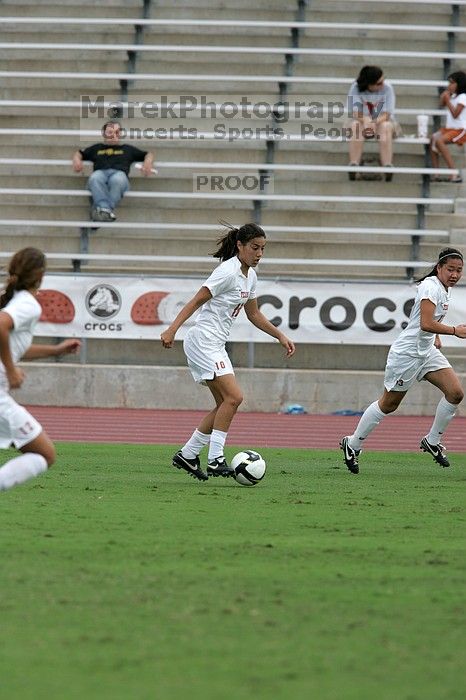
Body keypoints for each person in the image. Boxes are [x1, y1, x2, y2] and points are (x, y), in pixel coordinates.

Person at [160, 223, 296, 481]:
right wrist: (172, 329)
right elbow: (196, 300)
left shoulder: (250, 276)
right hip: (203, 341)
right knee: (234, 397)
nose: (259, 254)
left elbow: (253, 313)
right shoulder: (227, 271)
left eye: (263, 249)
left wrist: (280, 335)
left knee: (225, 403)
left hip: (215, 344)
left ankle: (188, 454)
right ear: (240, 246)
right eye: (254, 248)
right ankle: (215, 459)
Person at [340, 248, 466, 474]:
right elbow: (425, 323)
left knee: (455, 392)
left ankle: (432, 441)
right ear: (439, 268)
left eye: (459, 270)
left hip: (426, 351)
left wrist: (436, 337)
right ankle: (353, 443)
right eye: (450, 269)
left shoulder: (443, 289)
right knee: (389, 404)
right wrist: (454, 331)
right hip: (407, 354)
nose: (455, 274)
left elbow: (427, 319)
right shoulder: (430, 286)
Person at [0, 247, 81, 492]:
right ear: (40, 275)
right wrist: (12, 371)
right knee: (45, 454)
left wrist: (56, 351)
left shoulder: (11, 299)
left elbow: (14, 346)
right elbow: (1, 326)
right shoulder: (27, 303)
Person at [72, 120, 155, 222]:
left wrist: (148, 162)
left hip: (119, 175)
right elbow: (79, 153)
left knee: (117, 179)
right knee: (95, 177)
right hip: (101, 173)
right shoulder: (97, 148)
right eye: (110, 132)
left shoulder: (127, 149)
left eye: (117, 132)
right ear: (104, 133)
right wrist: (77, 160)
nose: (114, 135)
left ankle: (102, 210)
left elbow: (148, 154)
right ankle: (106, 211)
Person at [347, 65, 397, 181]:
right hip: (361, 121)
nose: (383, 84)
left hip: (383, 121)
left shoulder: (388, 88)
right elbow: (354, 112)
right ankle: (354, 164)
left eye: (383, 81)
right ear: (369, 84)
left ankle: (387, 166)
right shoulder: (355, 88)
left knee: (385, 127)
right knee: (355, 126)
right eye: (379, 83)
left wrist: (374, 121)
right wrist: (365, 120)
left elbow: (387, 114)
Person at [430, 70, 466, 183]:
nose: (449, 86)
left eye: (452, 83)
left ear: (459, 84)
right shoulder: (453, 96)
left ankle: (453, 174)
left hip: (460, 129)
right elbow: (441, 104)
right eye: (449, 83)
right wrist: (444, 98)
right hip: (449, 129)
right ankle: (436, 173)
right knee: (433, 139)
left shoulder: (463, 97)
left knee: (439, 141)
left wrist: (447, 100)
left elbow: (455, 114)